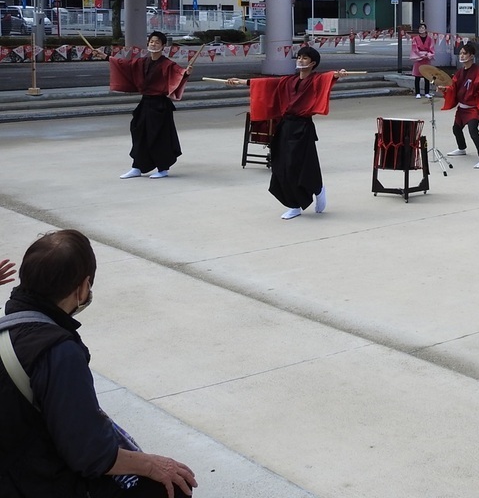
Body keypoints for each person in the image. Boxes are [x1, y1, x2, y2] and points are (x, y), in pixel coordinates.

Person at [0, 229, 198, 497]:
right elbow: (90, 453)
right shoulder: (57, 351)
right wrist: (153, 465)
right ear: (82, 288)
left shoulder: (9, 331)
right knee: (170, 487)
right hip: (33, 481)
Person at [227, 46, 348, 220]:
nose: (300, 60)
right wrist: (239, 82)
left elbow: (329, 77)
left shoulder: (316, 80)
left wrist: (339, 74)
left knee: (302, 164)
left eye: (305, 58)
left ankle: (318, 189)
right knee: (281, 165)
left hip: (303, 127)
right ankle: (294, 205)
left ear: (313, 63)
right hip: (285, 127)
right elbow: (265, 84)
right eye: (298, 57)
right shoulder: (288, 81)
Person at [94, 31, 191, 180]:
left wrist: (186, 72)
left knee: (159, 137)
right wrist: (106, 57)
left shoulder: (167, 64)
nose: (153, 44)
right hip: (145, 103)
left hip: (160, 105)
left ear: (163, 46)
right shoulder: (142, 62)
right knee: (139, 133)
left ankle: (163, 168)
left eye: (157, 42)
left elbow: (178, 72)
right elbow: (124, 64)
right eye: (151, 41)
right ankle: (137, 167)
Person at [440, 42, 479, 169]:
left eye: (464, 53)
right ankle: (461, 148)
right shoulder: (460, 72)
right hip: (462, 108)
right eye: (461, 53)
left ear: (471, 56)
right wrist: (444, 88)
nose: (462, 56)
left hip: (473, 108)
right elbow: (453, 86)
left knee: (473, 132)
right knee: (456, 129)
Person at [410, 23, 436, 99]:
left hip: (427, 58)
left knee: (427, 76)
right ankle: (417, 93)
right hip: (418, 58)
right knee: (417, 77)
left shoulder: (429, 39)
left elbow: (432, 48)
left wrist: (428, 55)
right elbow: (414, 49)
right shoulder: (415, 38)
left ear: (425, 29)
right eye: (420, 28)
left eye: (423, 28)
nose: (421, 29)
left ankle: (427, 92)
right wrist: (421, 54)